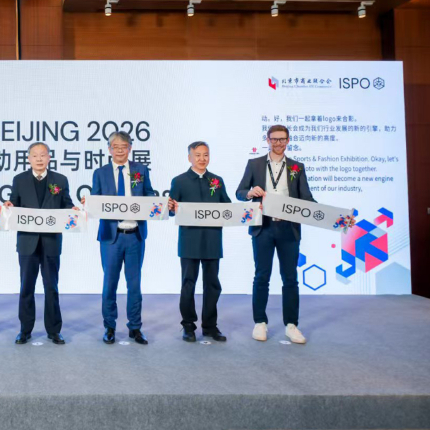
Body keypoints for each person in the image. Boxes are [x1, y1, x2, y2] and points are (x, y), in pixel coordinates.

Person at [236, 125, 314, 344]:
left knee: (290, 278)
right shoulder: (255, 164)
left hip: (289, 228)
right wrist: (250, 193)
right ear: (267, 140)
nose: (278, 143)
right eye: (274, 139)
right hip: (263, 227)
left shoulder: (297, 167)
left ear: (288, 141)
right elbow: (240, 192)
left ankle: (291, 325)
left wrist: (330, 216)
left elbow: (307, 198)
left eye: (282, 139)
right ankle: (260, 322)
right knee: (262, 276)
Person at [83, 131, 155, 345]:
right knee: (110, 284)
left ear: (130, 148)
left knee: (134, 285)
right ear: (109, 149)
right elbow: (96, 200)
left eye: (124, 146)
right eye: (116, 147)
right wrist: (88, 203)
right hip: (110, 237)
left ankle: (135, 327)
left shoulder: (141, 170)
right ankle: (110, 327)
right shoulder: (100, 173)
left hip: (135, 236)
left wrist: (157, 202)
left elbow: (149, 195)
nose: (120, 150)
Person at [4, 142, 76, 345]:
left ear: (49, 157)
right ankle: (25, 330)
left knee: (51, 287)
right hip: (27, 242)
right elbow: (14, 204)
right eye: (34, 155)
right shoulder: (19, 179)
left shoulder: (60, 180)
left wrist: (73, 210)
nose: (39, 159)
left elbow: (66, 204)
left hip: (51, 241)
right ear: (28, 158)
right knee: (26, 287)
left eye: (43, 155)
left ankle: (54, 331)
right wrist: (9, 206)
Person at [168, 141, 230, 343]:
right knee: (188, 283)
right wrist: (170, 207)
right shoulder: (179, 181)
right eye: (198, 155)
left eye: (206, 155)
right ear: (190, 157)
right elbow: (171, 210)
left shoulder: (217, 181)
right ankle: (188, 325)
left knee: (212, 284)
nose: (202, 159)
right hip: (189, 240)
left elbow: (227, 207)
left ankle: (210, 326)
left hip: (212, 239)